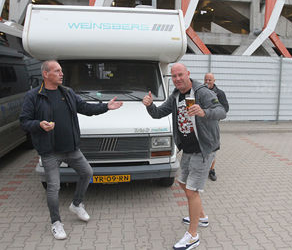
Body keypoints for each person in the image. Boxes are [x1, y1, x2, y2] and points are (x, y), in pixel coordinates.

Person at [19, 60, 123, 240]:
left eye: (61, 71)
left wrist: (106, 107)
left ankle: (76, 204)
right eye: (57, 71)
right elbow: (24, 121)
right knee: (53, 187)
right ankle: (56, 223)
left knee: (87, 172)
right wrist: (39, 124)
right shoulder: (33, 96)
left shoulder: (67, 93)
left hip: (71, 148)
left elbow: (85, 108)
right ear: (45, 74)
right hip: (49, 151)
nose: (61, 74)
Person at [142, 63, 226, 250]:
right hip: (187, 148)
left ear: (188, 74)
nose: (178, 78)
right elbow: (158, 114)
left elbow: (221, 111)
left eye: (181, 74)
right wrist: (149, 106)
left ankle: (193, 236)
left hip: (203, 149)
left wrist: (204, 112)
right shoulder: (175, 96)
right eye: (174, 76)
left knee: (191, 191)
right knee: (182, 183)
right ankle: (201, 216)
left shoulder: (202, 93)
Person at [204, 72, 229, 181]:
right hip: (201, 125)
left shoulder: (220, 94)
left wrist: (213, 114)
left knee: (213, 148)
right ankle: (202, 168)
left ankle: (211, 170)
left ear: (214, 81)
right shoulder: (200, 91)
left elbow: (225, 109)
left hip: (213, 125)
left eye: (210, 80)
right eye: (206, 79)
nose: (207, 82)